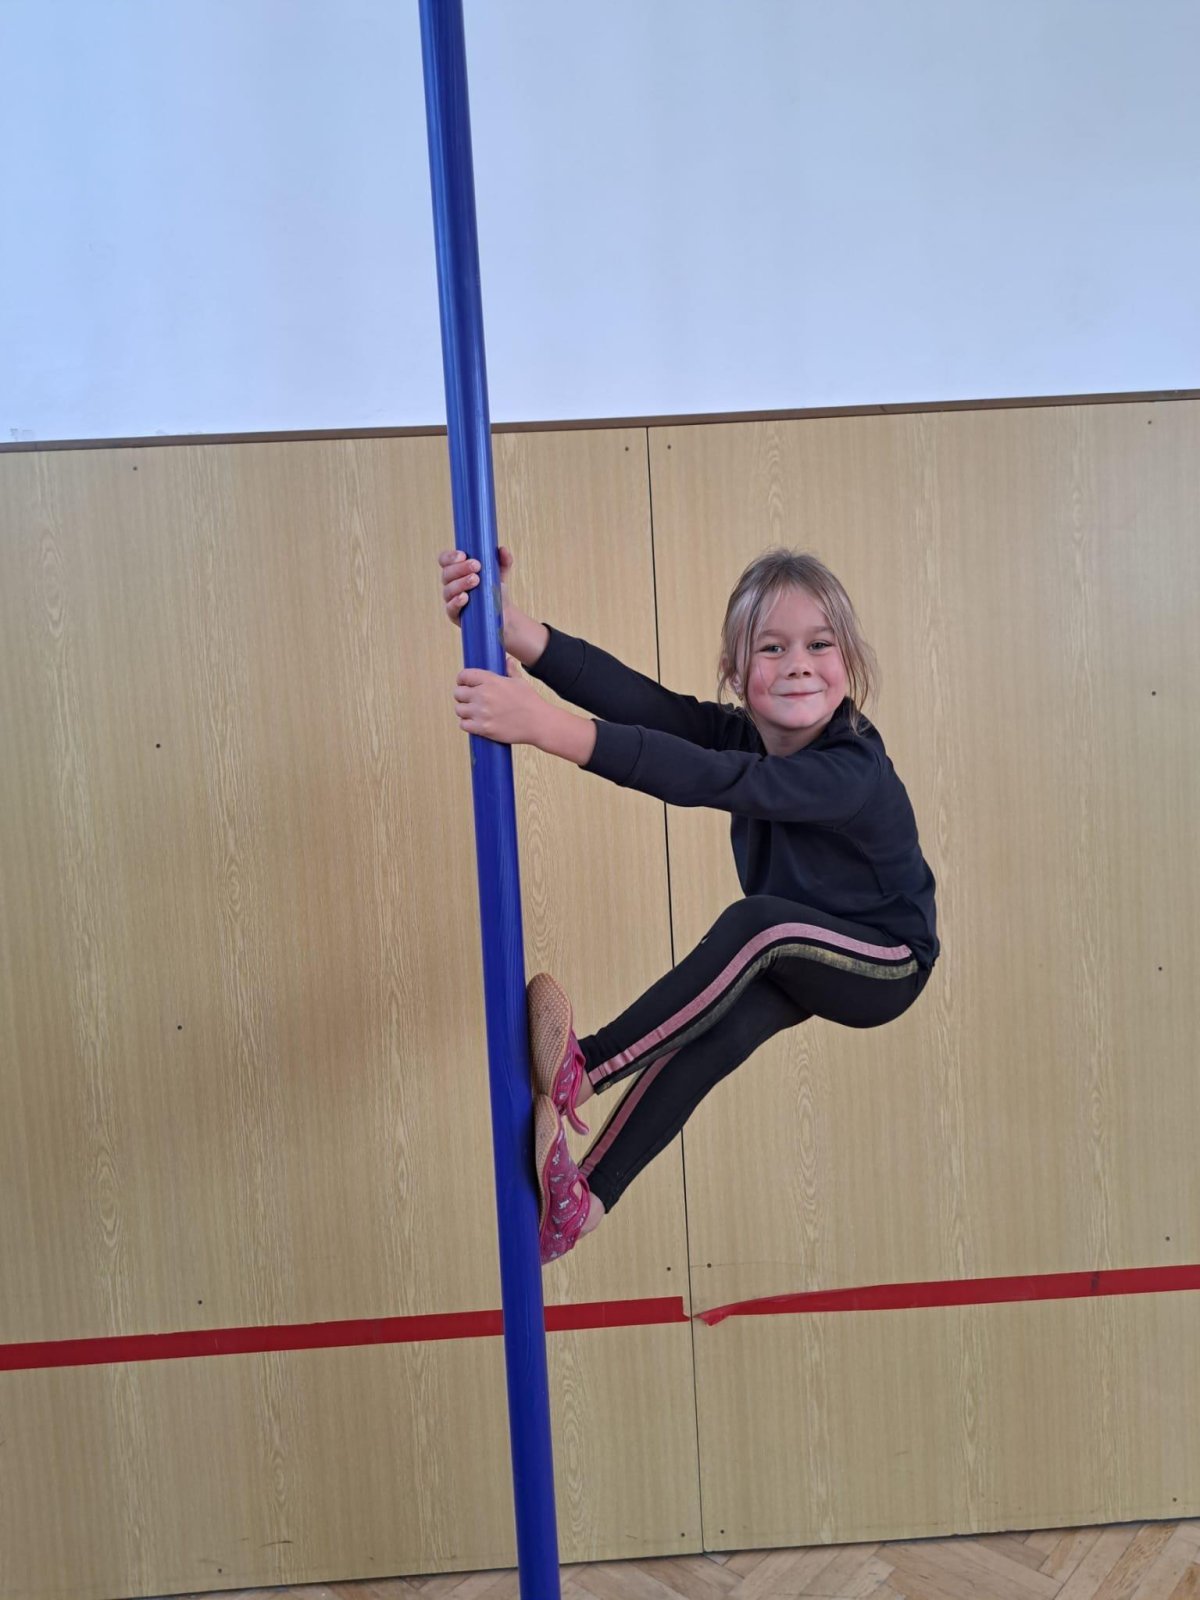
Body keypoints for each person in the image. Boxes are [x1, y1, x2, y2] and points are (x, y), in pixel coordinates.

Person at [438, 543, 938, 1266]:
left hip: (886, 961)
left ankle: (586, 1069)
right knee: (709, 1038)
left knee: (758, 924)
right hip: (801, 942)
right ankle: (581, 1206)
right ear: (736, 673)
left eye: (820, 645)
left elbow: (713, 779)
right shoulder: (747, 735)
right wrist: (516, 631)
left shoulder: (851, 768)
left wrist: (543, 726)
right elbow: (646, 706)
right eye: (772, 648)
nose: (798, 664)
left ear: (849, 660)